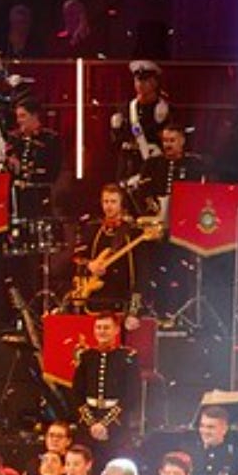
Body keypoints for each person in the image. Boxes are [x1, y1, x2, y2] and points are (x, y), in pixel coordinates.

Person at [71, 312, 140, 461]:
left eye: (106, 328)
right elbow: (77, 393)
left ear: (116, 330)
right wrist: (92, 423)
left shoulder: (128, 357)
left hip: (117, 426)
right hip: (87, 424)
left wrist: (104, 424)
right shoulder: (86, 356)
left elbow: (132, 396)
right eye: (98, 327)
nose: (101, 331)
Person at [78, 184, 149, 319]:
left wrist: (135, 309)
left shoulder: (133, 232)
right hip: (95, 300)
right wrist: (89, 264)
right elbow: (77, 257)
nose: (109, 206)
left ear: (121, 203)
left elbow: (143, 272)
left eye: (113, 202)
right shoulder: (93, 229)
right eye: (106, 201)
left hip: (122, 300)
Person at [111, 59, 171, 187]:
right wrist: (116, 130)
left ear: (154, 82)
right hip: (127, 165)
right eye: (137, 80)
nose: (140, 84)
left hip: (151, 164)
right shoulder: (126, 107)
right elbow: (117, 140)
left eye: (145, 80)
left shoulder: (162, 109)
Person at [6, 99, 61, 222]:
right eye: (17, 116)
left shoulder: (50, 139)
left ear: (34, 116)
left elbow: (53, 170)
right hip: (18, 196)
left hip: (40, 196)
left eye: (23, 116)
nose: (19, 120)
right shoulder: (14, 139)